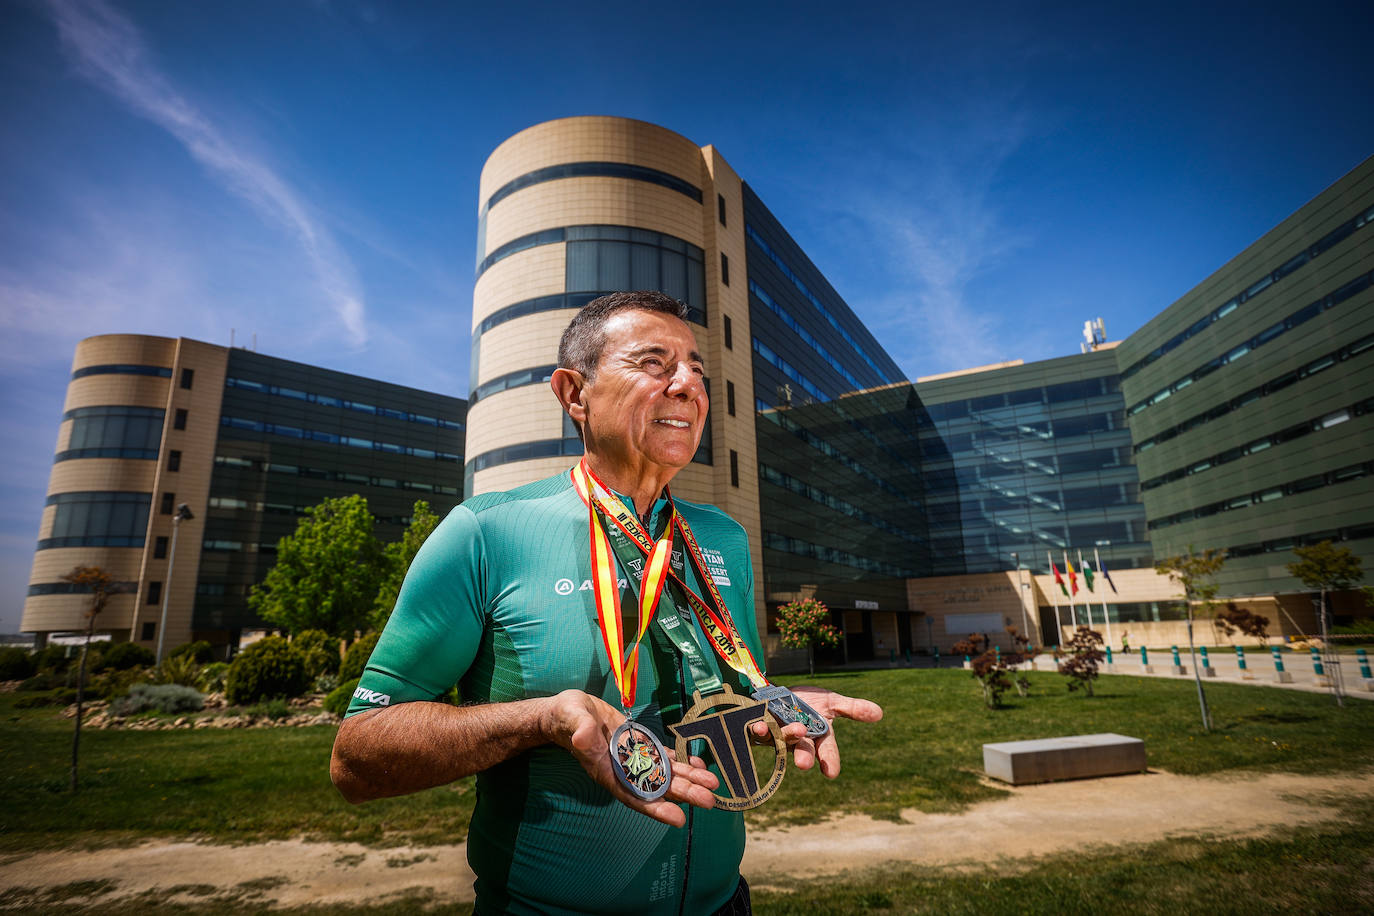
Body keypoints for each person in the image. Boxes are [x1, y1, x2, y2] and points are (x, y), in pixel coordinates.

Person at [330, 291, 883, 915]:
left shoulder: (723, 536)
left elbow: (730, 695)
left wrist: (772, 707)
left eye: (697, 371)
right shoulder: (486, 532)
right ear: (574, 393)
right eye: (655, 363)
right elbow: (359, 756)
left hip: (725, 904)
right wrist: (542, 720)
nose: (688, 386)